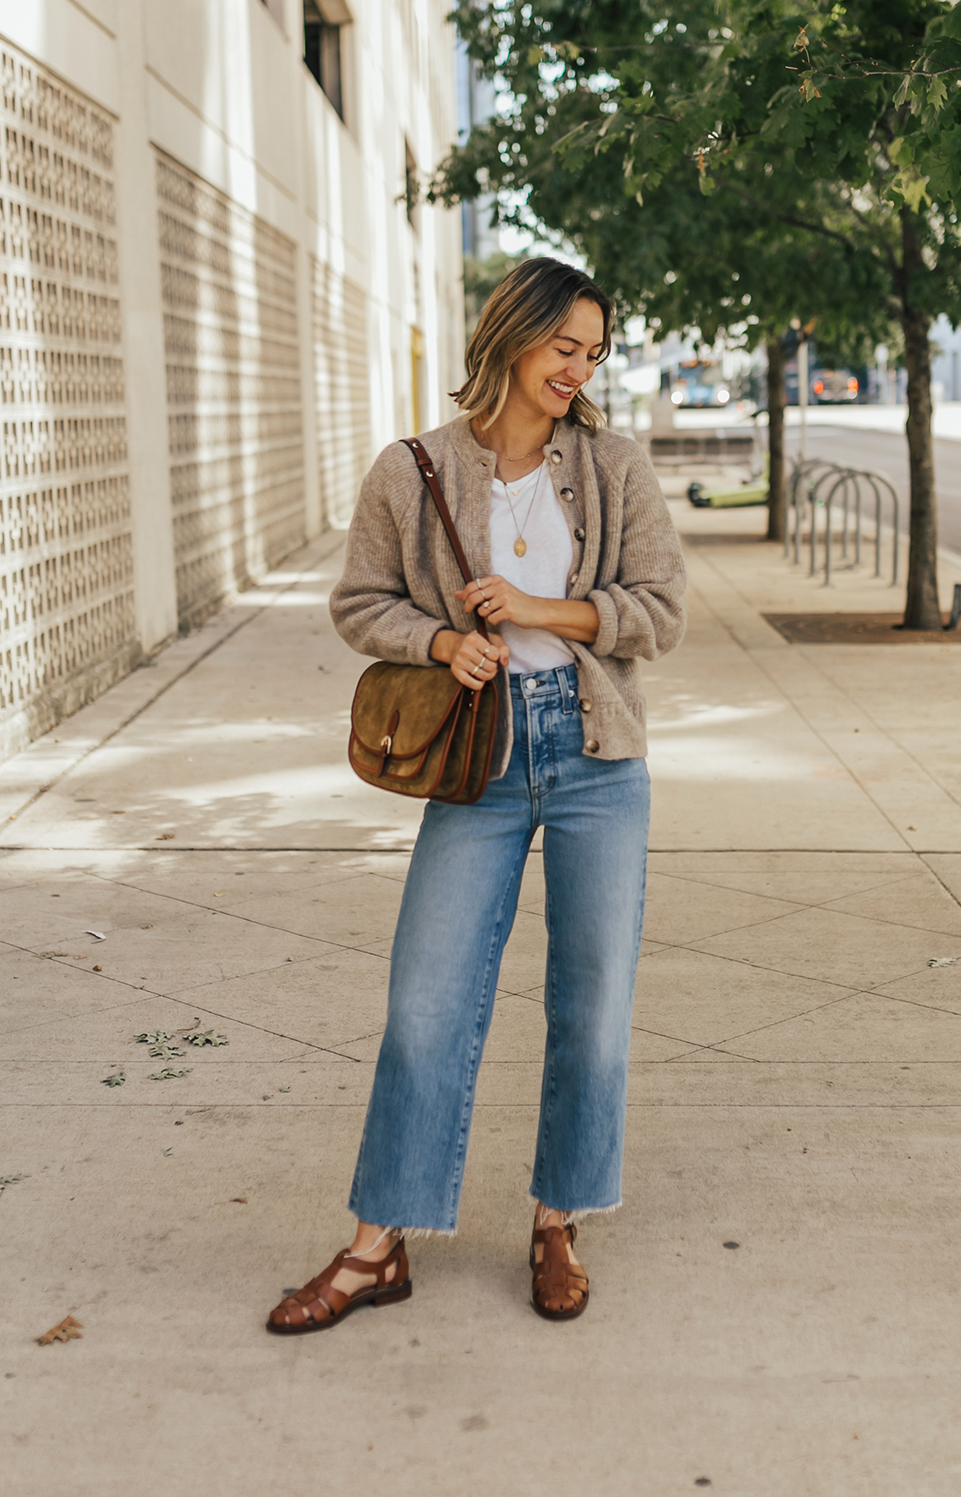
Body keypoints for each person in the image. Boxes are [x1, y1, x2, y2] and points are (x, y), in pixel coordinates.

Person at [266, 257, 686, 1334]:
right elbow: (359, 603)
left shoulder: (612, 466)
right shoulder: (411, 470)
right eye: (563, 349)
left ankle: (556, 1222)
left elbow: (659, 612)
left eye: (592, 353)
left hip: (595, 756)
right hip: (478, 759)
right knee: (426, 1002)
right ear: (511, 338)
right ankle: (377, 1247)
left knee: (589, 1007)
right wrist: (442, 638)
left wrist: (542, 610)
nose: (577, 369)